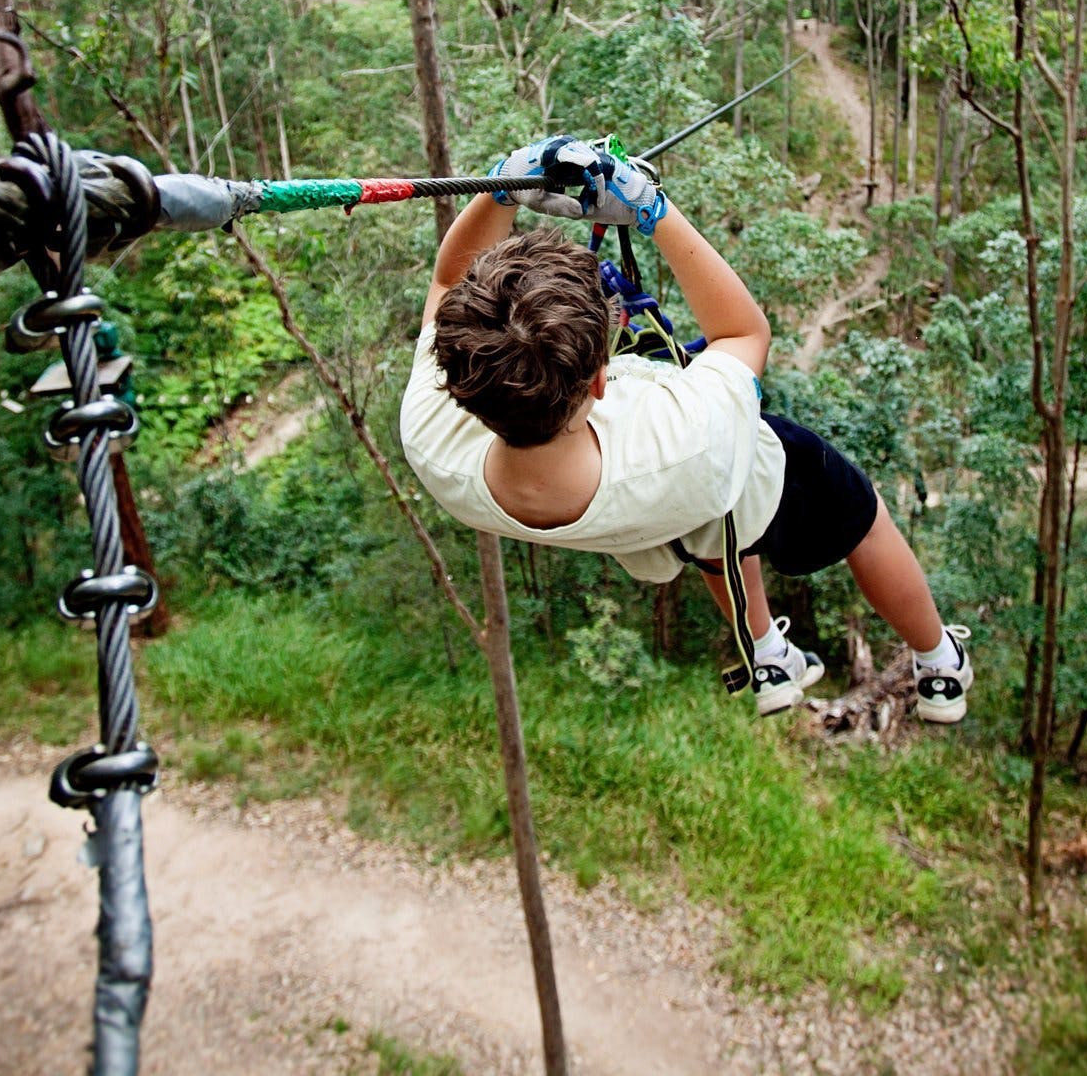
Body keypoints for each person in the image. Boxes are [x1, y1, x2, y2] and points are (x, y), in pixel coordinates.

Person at [399, 136, 971, 720]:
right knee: (863, 518)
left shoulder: (435, 439)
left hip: (657, 523)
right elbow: (745, 334)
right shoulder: (687, 435)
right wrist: (650, 208)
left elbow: (448, 283)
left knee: (707, 533)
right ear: (600, 379)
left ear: (458, 378)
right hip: (739, 483)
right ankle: (939, 659)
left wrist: (501, 187)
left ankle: (768, 652)